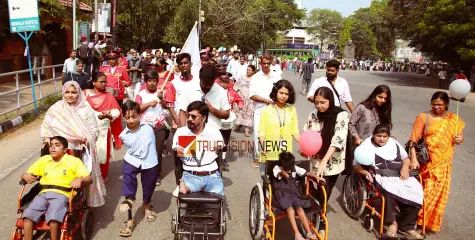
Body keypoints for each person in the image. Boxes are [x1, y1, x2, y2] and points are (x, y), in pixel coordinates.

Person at [41, 81, 106, 207]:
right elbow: (46, 126)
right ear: (63, 93)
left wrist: (85, 140)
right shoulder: (56, 108)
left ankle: (82, 201)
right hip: (58, 148)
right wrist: (46, 139)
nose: (70, 95)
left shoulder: (86, 109)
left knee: (80, 175)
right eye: (67, 92)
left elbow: (94, 132)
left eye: (74, 92)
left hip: (78, 149)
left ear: (79, 93)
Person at [408, 91, 465, 232]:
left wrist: (460, 139)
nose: (436, 107)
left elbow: (460, 136)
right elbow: (413, 141)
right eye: (434, 104)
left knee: (439, 193)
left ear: (446, 104)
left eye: (440, 105)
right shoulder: (423, 117)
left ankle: (428, 221)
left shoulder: (453, 118)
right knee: (426, 192)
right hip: (427, 162)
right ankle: (416, 219)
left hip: (444, 163)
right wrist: (413, 159)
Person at [355, 124, 424, 239]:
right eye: (379, 136)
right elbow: (356, 166)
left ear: (388, 136)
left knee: (416, 190)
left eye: (385, 136)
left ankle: (407, 226)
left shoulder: (393, 143)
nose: (382, 139)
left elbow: (405, 158)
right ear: (373, 135)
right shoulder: (366, 145)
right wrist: (366, 173)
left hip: (400, 173)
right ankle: (393, 223)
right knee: (390, 191)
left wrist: (405, 168)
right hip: (382, 175)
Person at [20, 136, 93, 240]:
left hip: (62, 194)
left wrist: (80, 180)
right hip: (43, 194)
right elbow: (27, 174)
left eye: (57, 145)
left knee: (53, 218)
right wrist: (24, 175)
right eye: (51, 145)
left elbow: (89, 179)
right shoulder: (44, 160)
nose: (53, 148)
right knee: (27, 216)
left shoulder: (73, 161)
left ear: (65, 149)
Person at [119, 101, 159, 237]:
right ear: (123, 117)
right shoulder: (123, 135)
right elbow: (134, 150)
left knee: (149, 184)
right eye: (127, 117)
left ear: (139, 115)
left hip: (150, 160)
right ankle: (129, 216)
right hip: (133, 159)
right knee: (128, 176)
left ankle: (146, 204)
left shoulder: (148, 126)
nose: (131, 120)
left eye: (134, 116)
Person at [304, 87, 349, 200]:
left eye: (323, 102)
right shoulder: (313, 115)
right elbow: (307, 133)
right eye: (316, 103)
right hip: (317, 158)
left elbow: (338, 140)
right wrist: (305, 149)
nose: (319, 106)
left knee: (326, 190)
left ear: (330, 100)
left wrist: (325, 161)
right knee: (322, 188)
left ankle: (319, 211)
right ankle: (319, 212)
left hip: (333, 159)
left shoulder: (341, 115)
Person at [174, 101, 225, 196]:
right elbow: (179, 153)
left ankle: (189, 188)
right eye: (188, 115)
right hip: (190, 174)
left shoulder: (214, 132)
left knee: (219, 194)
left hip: (212, 175)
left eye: (193, 117)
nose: (189, 119)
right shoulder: (181, 132)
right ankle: (187, 188)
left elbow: (218, 150)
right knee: (190, 184)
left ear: (203, 118)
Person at [136, 69, 171, 186]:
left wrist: (161, 99)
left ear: (157, 82)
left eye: (154, 81)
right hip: (144, 127)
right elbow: (137, 109)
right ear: (145, 82)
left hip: (159, 126)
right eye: (149, 80)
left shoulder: (161, 93)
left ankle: (156, 175)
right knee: (146, 151)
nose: (152, 83)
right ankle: (146, 172)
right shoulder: (140, 95)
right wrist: (148, 104)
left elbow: (167, 106)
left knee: (157, 151)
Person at [84, 72, 122, 182]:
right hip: (87, 130)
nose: (104, 84)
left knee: (103, 155)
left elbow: (116, 112)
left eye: (105, 82)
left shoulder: (109, 97)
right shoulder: (85, 94)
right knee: (88, 154)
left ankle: (103, 176)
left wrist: (108, 115)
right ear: (94, 82)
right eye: (101, 82)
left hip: (103, 131)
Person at [272, 151, 318, 240]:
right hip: (281, 195)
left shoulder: (294, 168)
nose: (289, 168)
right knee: (290, 209)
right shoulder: (277, 168)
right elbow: (279, 173)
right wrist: (283, 172)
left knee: (300, 209)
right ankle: (297, 234)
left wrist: (316, 177)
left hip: (293, 194)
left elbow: (306, 173)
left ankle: (309, 233)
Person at [258, 80, 300, 176]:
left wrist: (305, 147)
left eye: (286, 94)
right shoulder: (266, 110)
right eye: (281, 93)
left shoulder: (292, 110)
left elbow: (295, 132)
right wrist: (264, 147)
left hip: (285, 155)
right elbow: (262, 133)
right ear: (275, 92)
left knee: (284, 185)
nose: (283, 96)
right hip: (269, 152)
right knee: (269, 186)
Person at [249, 54, 281, 168]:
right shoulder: (255, 77)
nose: (266, 65)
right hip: (260, 111)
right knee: (258, 133)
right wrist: (266, 101)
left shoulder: (277, 76)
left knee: (275, 133)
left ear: (271, 62)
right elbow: (252, 95)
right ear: (260, 63)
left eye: (268, 63)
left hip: (275, 110)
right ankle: (258, 157)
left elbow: (282, 91)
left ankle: (273, 156)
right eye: (264, 63)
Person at [178, 63, 230, 130]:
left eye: (209, 84)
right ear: (200, 78)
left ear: (214, 80)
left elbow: (226, 115)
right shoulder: (189, 88)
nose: (206, 87)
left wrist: (213, 110)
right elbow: (182, 112)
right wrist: (183, 132)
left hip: (213, 135)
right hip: (191, 133)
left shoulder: (221, 91)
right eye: (204, 84)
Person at [217, 75, 244, 168]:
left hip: (227, 118)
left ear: (229, 83)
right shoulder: (214, 92)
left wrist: (240, 105)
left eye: (225, 82)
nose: (223, 84)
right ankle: (214, 158)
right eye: (222, 82)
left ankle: (223, 158)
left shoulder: (232, 92)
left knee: (225, 139)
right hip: (215, 117)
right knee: (215, 138)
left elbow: (240, 100)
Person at [234, 64, 256, 137]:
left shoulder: (255, 79)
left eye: (249, 70)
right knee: (240, 112)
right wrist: (235, 94)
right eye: (247, 69)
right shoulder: (242, 77)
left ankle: (247, 130)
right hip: (242, 98)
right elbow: (236, 86)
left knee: (249, 113)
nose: (248, 71)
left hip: (250, 99)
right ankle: (239, 125)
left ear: (253, 72)